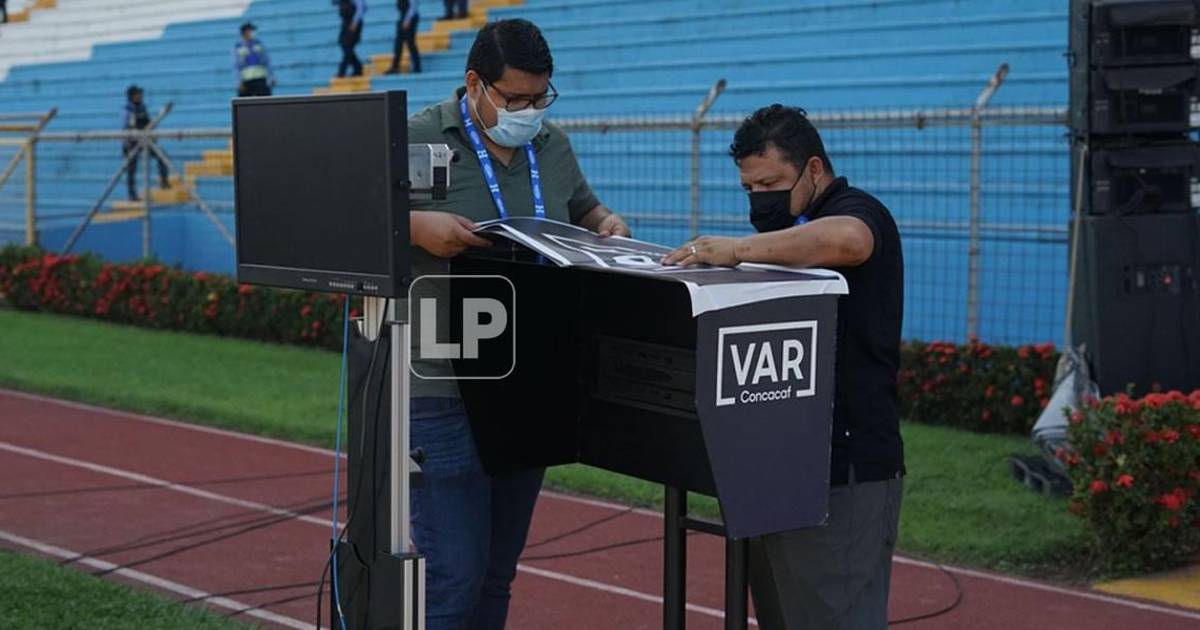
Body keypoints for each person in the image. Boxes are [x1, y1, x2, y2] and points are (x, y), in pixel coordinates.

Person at [405, 18, 629, 630]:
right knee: (452, 577)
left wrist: (606, 223)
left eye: (540, 98)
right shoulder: (420, 138)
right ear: (475, 83)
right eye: (516, 99)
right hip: (443, 382)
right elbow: (351, 226)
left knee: (497, 574)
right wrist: (415, 226)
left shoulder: (551, 145)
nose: (529, 112)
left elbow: (584, 208)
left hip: (530, 380)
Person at [664, 104, 906, 630]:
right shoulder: (791, 229)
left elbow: (849, 239)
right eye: (748, 188)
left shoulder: (857, 210)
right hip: (778, 465)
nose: (759, 198)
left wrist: (737, 250)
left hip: (846, 471)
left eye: (770, 184)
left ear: (813, 169)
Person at [121, 85, 170, 202]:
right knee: (131, 169)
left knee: (162, 156)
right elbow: (126, 128)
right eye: (138, 94)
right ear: (132, 97)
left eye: (140, 94)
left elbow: (148, 123)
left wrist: (152, 134)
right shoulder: (127, 110)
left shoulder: (143, 108)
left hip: (145, 140)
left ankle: (164, 181)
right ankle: (132, 194)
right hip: (131, 143)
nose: (140, 96)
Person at [234, 22, 276, 96]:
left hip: (260, 79)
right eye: (250, 31)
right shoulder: (238, 47)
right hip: (246, 81)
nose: (252, 33)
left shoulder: (259, 44)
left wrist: (272, 77)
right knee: (244, 102)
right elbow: (236, 66)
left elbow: (267, 62)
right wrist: (239, 82)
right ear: (245, 32)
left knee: (266, 100)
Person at [385, 0, 420, 74]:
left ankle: (417, 66)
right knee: (398, 44)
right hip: (402, 17)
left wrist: (407, 20)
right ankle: (395, 67)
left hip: (410, 18)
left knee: (410, 43)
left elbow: (413, 7)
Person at [337, 0, 367, 77]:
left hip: (353, 22)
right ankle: (358, 68)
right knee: (343, 44)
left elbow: (361, 7)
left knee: (348, 46)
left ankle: (342, 71)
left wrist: (355, 22)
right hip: (346, 22)